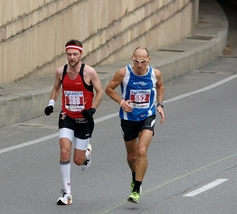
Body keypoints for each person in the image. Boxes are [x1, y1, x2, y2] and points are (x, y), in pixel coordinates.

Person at [44, 39, 104, 205]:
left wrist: (92, 110)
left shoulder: (89, 72)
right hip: (67, 117)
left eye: (75, 54)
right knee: (64, 151)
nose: (72, 57)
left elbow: (100, 91)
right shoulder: (60, 71)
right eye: (69, 54)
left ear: (81, 54)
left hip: (84, 120)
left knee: (78, 161)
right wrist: (51, 104)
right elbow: (56, 88)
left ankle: (86, 154)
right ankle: (67, 193)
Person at [105, 47, 165, 204]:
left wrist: (160, 104)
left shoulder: (155, 74)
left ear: (148, 60)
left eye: (142, 61)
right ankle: (134, 175)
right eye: (136, 61)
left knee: (142, 150)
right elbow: (109, 89)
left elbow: (160, 85)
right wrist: (121, 102)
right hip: (128, 118)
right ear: (132, 58)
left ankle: (136, 189)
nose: (139, 64)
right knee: (132, 156)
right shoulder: (123, 73)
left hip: (147, 116)